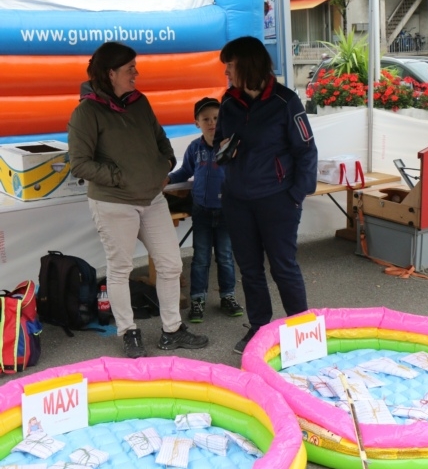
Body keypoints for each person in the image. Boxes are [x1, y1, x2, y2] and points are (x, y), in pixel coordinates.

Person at [67, 42, 208, 358]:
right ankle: (128, 331)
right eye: (130, 68)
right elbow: (79, 164)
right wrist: (121, 177)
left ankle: (172, 330)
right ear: (111, 73)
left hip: (152, 199)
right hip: (114, 203)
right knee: (120, 268)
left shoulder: (140, 102)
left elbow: (160, 140)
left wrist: (165, 164)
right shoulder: (86, 113)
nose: (136, 73)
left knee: (170, 264)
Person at [214, 35, 318, 354]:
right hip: (237, 201)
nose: (226, 73)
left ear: (248, 64)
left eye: (230, 66)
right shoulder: (228, 102)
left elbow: (307, 151)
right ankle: (259, 328)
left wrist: (296, 195)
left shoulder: (286, 102)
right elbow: (218, 142)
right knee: (250, 270)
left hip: (278, 200)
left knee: (283, 267)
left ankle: (302, 334)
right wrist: (223, 150)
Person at [168, 97, 244, 323]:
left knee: (226, 257)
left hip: (226, 212)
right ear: (197, 123)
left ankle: (228, 297)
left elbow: (243, 173)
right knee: (200, 258)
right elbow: (184, 171)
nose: (212, 123)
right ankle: (197, 300)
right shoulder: (194, 148)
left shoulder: (232, 146)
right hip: (201, 212)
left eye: (216, 118)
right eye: (206, 119)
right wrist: (167, 179)